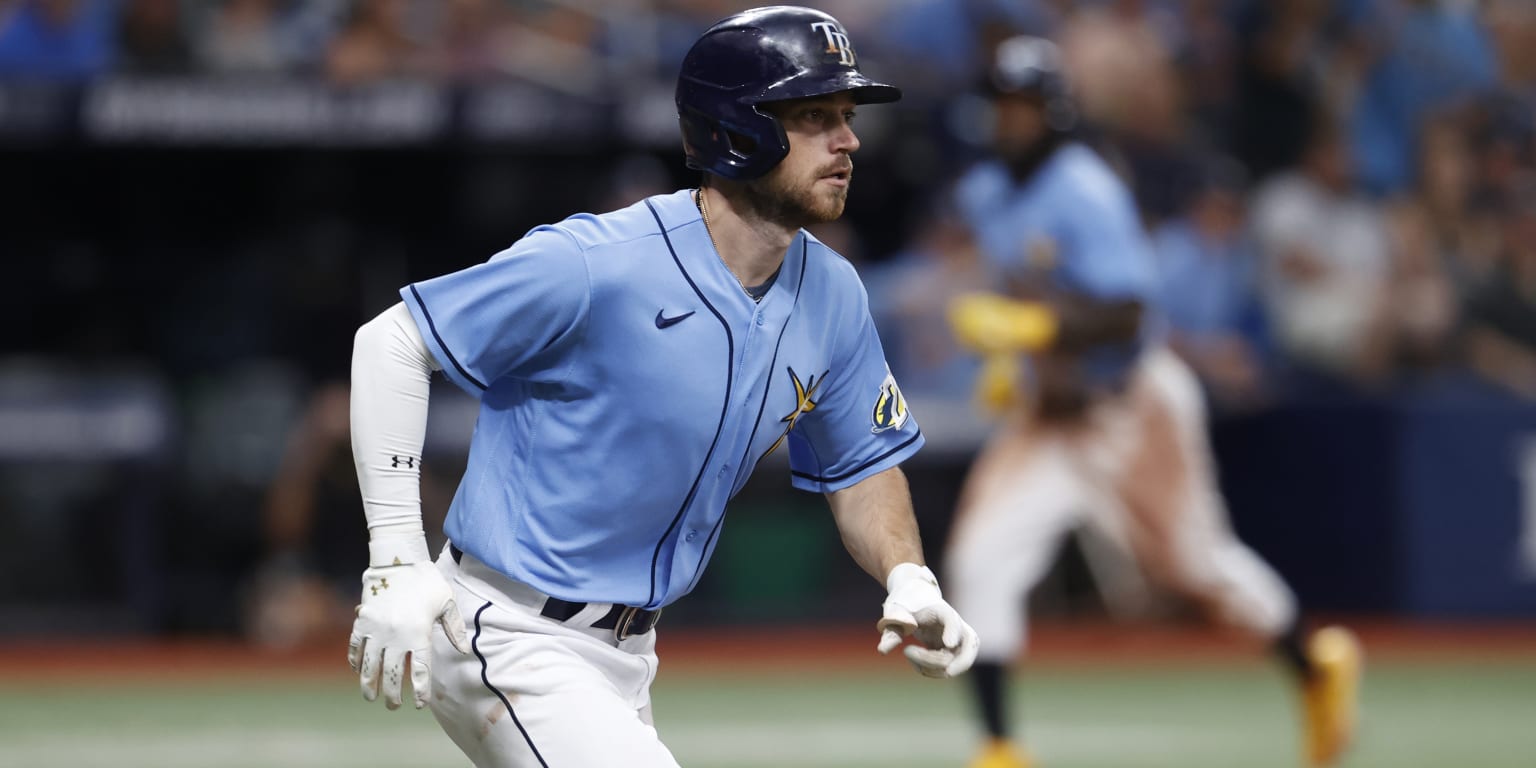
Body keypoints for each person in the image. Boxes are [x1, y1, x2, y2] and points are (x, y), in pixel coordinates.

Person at [343, 7, 979, 767]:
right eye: (815, 116)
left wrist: (909, 575)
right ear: (736, 130)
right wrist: (396, 560)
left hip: (629, 656)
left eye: (845, 116)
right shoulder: (596, 260)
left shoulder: (833, 294)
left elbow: (863, 466)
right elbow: (390, 342)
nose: (849, 140)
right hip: (509, 629)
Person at [941, 35, 1361, 768]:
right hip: (1052, 416)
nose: (1012, 121)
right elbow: (1023, 286)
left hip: (1131, 404)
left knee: (1198, 567)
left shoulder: (1085, 187)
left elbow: (1131, 312)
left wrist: (1039, 327)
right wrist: (1020, 358)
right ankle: (1001, 748)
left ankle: (1315, 668)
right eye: (1003, 106)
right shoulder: (986, 191)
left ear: (1054, 113)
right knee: (981, 560)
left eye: (1025, 107)